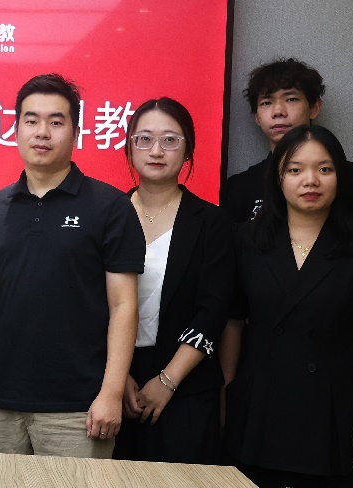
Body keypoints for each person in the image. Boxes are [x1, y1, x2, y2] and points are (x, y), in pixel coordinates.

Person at [221, 125, 353, 488]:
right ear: (278, 179)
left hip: (335, 414)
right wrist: (227, 399)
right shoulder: (247, 239)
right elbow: (232, 324)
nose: (310, 181)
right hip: (259, 410)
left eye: (324, 169)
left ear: (340, 176)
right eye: (295, 169)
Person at [0, 73, 144, 458]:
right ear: (16, 129)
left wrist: (110, 392)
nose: (42, 132)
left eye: (56, 121)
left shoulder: (110, 207)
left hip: (78, 407)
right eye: (31, 120)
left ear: (76, 132)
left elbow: (124, 305)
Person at [110, 98, 232, 464]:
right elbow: (89, 304)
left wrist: (167, 381)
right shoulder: (108, 216)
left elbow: (213, 310)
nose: (156, 151)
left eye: (170, 140)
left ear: (188, 149)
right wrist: (118, 376)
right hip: (112, 384)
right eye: (144, 139)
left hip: (186, 385)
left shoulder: (212, 223)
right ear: (129, 147)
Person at [222, 58, 353, 230]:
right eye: (266, 102)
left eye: (291, 99)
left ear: (314, 107)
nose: (278, 111)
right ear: (256, 117)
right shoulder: (240, 187)